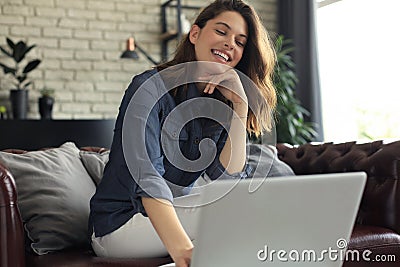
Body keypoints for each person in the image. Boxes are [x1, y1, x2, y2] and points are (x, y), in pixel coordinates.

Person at [89, 0, 277, 266]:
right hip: (119, 225)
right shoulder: (148, 88)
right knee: (237, 213)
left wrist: (239, 106)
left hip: (175, 215)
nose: (230, 44)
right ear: (195, 33)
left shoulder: (221, 105)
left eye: (240, 41)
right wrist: (182, 250)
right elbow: (148, 179)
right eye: (221, 32)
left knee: (244, 203)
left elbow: (228, 181)